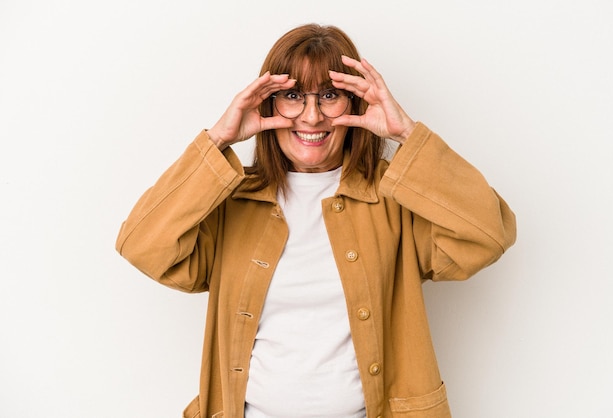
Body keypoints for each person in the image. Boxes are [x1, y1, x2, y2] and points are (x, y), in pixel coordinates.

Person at [115, 23, 516, 418]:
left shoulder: (394, 197)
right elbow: (142, 245)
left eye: (330, 95)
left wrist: (408, 136)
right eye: (292, 96)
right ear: (267, 103)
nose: (311, 116)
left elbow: (489, 233)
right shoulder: (233, 200)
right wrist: (217, 140)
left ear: (356, 103)